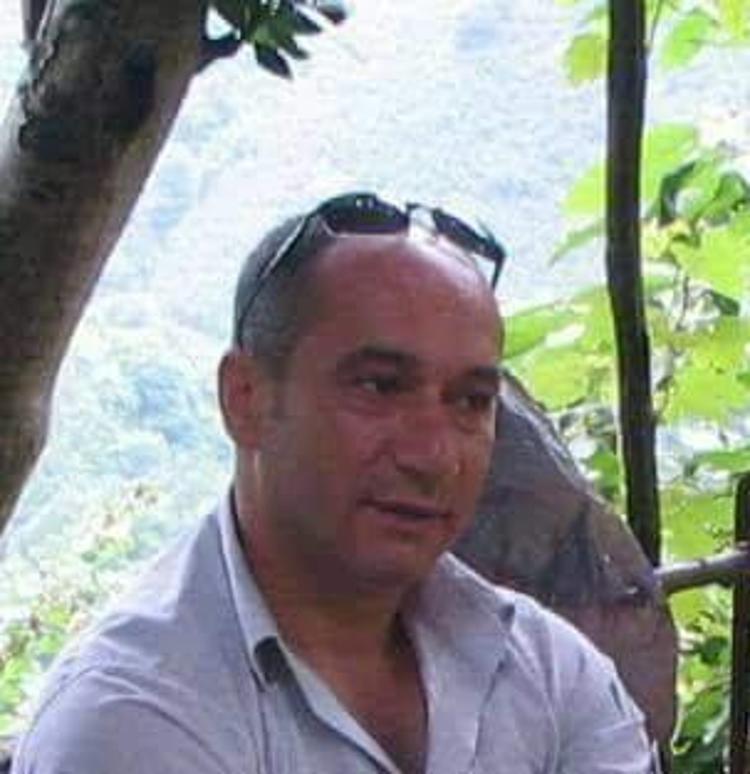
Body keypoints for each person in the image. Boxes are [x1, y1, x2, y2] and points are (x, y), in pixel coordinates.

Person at [11, 193, 656, 773]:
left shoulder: (544, 671)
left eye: (469, 401)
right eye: (379, 387)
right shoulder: (132, 721)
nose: (432, 456)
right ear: (245, 399)